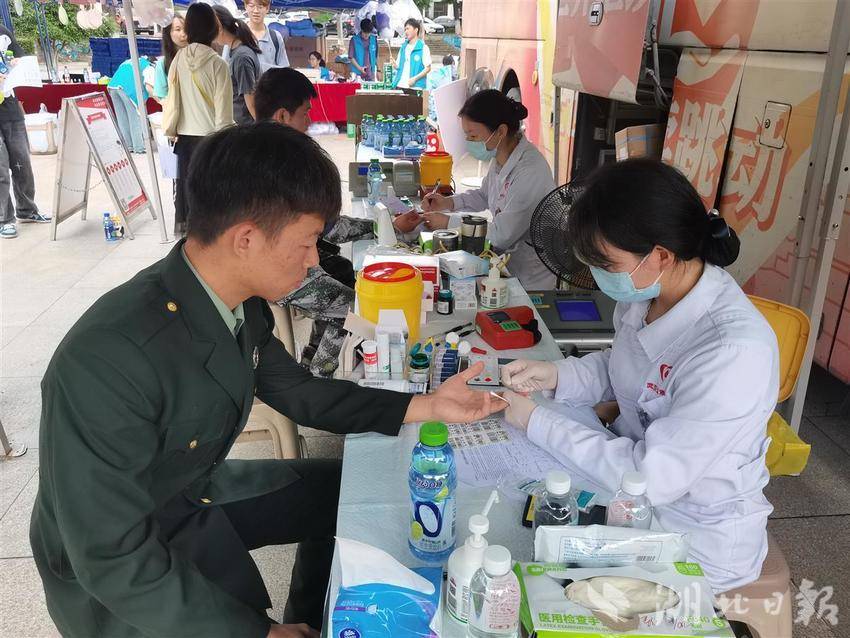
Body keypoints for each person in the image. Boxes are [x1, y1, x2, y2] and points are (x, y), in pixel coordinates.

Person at [30, 122, 499, 638]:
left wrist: (426, 406)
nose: (314, 259)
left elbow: (299, 391)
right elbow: (113, 559)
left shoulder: (238, 302)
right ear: (246, 239)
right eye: (307, 242)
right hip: (115, 571)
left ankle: (311, 617)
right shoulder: (109, 362)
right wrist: (259, 633)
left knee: (345, 491)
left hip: (191, 490)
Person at [499, 159, 779, 593]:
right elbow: (625, 368)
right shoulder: (649, 294)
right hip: (631, 502)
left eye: (605, 264)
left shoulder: (733, 353)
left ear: (661, 256)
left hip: (693, 536)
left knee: (531, 576)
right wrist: (553, 374)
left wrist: (537, 421)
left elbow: (651, 477)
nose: (596, 276)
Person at [253, 68, 422, 376]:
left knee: (342, 269)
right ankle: (318, 383)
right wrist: (385, 227)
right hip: (272, 266)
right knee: (353, 309)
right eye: (305, 113)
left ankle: (311, 362)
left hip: (272, 255)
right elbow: (331, 228)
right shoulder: (282, 163)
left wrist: (386, 225)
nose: (309, 121)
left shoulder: (256, 148)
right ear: (282, 116)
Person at [421, 89, 556, 289]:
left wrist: (448, 222)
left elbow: (501, 235)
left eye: (473, 135)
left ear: (500, 131)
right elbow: (484, 195)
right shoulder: (501, 156)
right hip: (505, 263)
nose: (469, 142)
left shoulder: (530, 171)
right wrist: (448, 202)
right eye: (467, 135)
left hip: (530, 275)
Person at [163, 2, 233, 236]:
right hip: (211, 143)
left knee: (189, 200)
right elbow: (224, 118)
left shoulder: (178, 60)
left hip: (185, 143)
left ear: (189, 28)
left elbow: (173, 101)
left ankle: (191, 246)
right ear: (214, 28)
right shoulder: (218, 64)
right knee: (212, 201)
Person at [0, 25, 50, 239]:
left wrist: (15, 64)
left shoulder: (2, 31)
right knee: (1, 170)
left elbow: (19, 57)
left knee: (22, 163)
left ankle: (27, 210)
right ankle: (4, 219)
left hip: (10, 108)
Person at [213, 5, 262, 125]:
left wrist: (262, 127)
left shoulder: (241, 57)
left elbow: (250, 99)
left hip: (247, 127)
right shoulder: (236, 52)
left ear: (219, 28)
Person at [107, 56, 153, 153]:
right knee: (134, 118)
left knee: (122, 118)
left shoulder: (129, 61)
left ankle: (128, 146)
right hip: (127, 89)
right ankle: (139, 148)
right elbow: (149, 86)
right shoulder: (149, 66)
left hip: (112, 87)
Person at [245, 0, 289, 73]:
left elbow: (284, 71)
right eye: (251, 6)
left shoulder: (275, 37)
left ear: (267, 8)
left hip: (269, 80)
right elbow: (227, 68)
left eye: (260, 6)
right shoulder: (236, 35)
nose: (256, 11)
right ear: (246, 6)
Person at [153, 15, 188, 103]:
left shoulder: (197, 58)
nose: (183, 34)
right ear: (168, 33)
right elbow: (162, 96)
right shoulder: (163, 64)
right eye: (178, 29)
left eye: (186, 29)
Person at [391, 18, 431, 89]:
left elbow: (428, 68)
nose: (406, 31)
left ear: (416, 30)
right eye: (405, 29)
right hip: (400, 85)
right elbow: (399, 67)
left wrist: (415, 79)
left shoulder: (423, 48)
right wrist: (395, 65)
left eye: (408, 29)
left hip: (415, 87)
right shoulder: (403, 47)